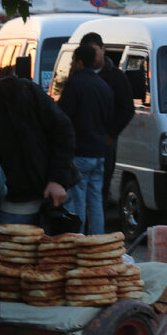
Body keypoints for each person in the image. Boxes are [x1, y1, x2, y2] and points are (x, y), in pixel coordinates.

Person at [0, 54, 78, 226]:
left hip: (45, 199)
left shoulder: (24, 95)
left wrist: (57, 180)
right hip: (9, 207)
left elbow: (63, 130)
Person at [56, 44, 114, 235]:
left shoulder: (74, 84)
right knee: (96, 200)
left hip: (79, 151)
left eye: (74, 60)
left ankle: (78, 240)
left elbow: (64, 118)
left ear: (80, 62)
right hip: (99, 152)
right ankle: (98, 242)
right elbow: (109, 118)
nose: (72, 63)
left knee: (78, 200)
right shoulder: (104, 86)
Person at [80, 32, 135, 216]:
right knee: (78, 191)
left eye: (94, 50)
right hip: (80, 143)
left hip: (105, 142)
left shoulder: (115, 76)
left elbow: (127, 109)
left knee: (100, 189)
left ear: (103, 50)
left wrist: (111, 134)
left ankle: (96, 234)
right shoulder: (77, 74)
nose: (92, 55)